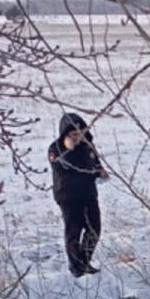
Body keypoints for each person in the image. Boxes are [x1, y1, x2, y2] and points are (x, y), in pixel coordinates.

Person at [48, 112, 108, 277]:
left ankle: (85, 261)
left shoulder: (88, 146)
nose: (78, 137)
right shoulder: (56, 149)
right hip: (68, 195)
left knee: (94, 228)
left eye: (80, 133)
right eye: (74, 134)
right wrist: (68, 150)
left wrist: (100, 173)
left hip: (88, 193)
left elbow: (94, 164)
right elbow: (61, 167)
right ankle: (76, 267)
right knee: (74, 230)